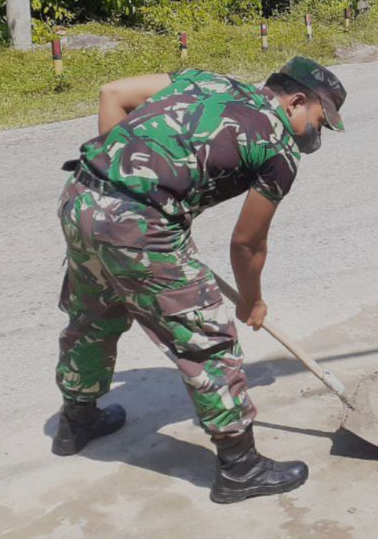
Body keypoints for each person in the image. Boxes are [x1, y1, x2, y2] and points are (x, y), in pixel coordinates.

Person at [51, 57, 345, 504]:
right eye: (320, 119)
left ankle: (77, 420)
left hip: (83, 196)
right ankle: (240, 468)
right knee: (207, 339)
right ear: (297, 100)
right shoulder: (279, 149)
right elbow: (247, 244)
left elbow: (113, 93)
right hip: (138, 225)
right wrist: (252, 302)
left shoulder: (207, 79)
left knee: (95, 312)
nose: (315, 133)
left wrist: (117, 165)